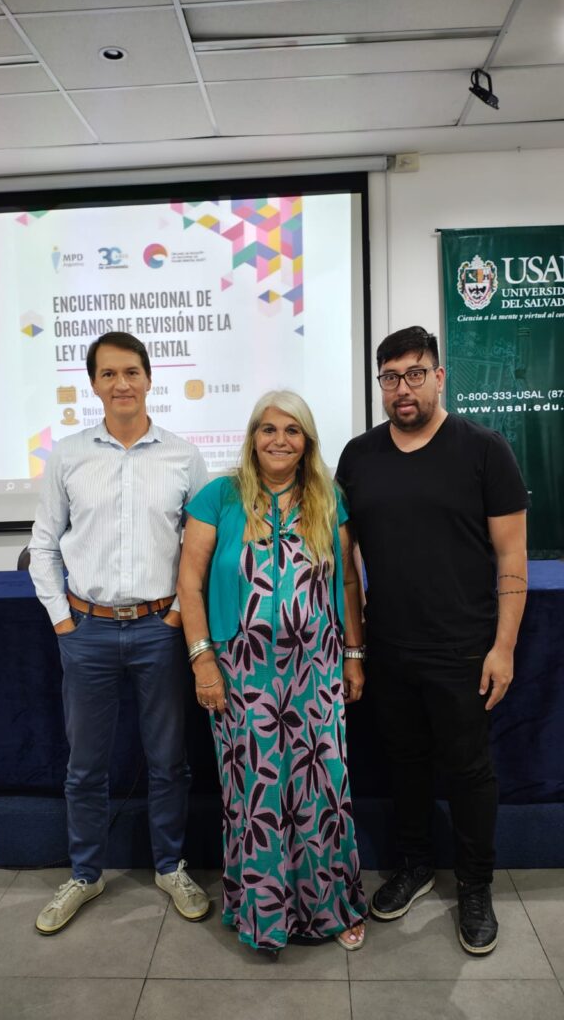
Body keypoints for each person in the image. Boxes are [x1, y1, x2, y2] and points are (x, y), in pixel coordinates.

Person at [336, 325, 528, 956]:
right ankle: (415, 865)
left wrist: (503, 647)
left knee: (469, 772)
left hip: (464, 648)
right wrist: (357, 646)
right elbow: (346, 562)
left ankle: (475, 885)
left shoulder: (484, 450)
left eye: (415, 374)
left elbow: (512, 557)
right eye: (390, 377)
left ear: (440, 377)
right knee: (406, 764)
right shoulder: (358, 457)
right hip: (390, 646)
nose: (403, 389)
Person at [29, 331, 210, 934]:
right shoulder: (68, 455)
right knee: (85, 767)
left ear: (149, 378)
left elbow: (200, 549)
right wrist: (62, 620)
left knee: (169, 761)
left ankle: (170, 867)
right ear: (93, 384)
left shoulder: (183, 456)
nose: (122, 383)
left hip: (161, 630)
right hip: (88, 630)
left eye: (131, 371)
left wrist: (178, 616)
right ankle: (86, 874)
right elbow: (43, 545)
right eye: (108, 374)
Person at [178, 391, 368, 953]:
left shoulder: (328, 497)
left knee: (320, 787)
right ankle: (263, 915)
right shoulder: (220, 496)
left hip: (316, 670)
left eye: (292, 430)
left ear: (307, 441)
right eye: (268, 429)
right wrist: (203, 661)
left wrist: (354, 653)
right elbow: (189, 582)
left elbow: (349, 581)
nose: (279, 440)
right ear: (252, 436)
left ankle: (330, 909)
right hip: (242, 673)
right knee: (255, 795)